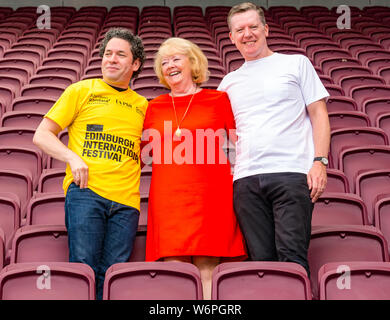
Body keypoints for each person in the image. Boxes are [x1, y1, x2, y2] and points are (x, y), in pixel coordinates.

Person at [33, 28, 148, 300]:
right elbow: (41, 134)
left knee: (113, 275)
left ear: (135, 64)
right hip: (86, 193)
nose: (111, 59)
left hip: (127, 202)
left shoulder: (144, 105)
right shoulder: (81, 90)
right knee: (83, 269)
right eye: (108, 53)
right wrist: (73, 158)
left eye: (121, 55)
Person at [217, 2, 331, 276]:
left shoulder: (296, 63)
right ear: (232, 37)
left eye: (253, 27)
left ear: (265, 29)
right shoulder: (228, 83)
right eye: (240, 30)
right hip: (246, 181)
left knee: (291, 258)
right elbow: (222, 137)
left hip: (291, 174)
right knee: (260, 264)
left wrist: (320, 162)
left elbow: (319, 115)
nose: (247, 34)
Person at [141, 37, 247, 300]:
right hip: (168, 197)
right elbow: (143, 152)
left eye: (176, 58)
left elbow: (239, 144)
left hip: (210, 194)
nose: (170, 65)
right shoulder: (153, 106)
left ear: (193, 63)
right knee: (174, 267)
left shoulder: (218, 99)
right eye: (164, 62)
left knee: (208, 267)